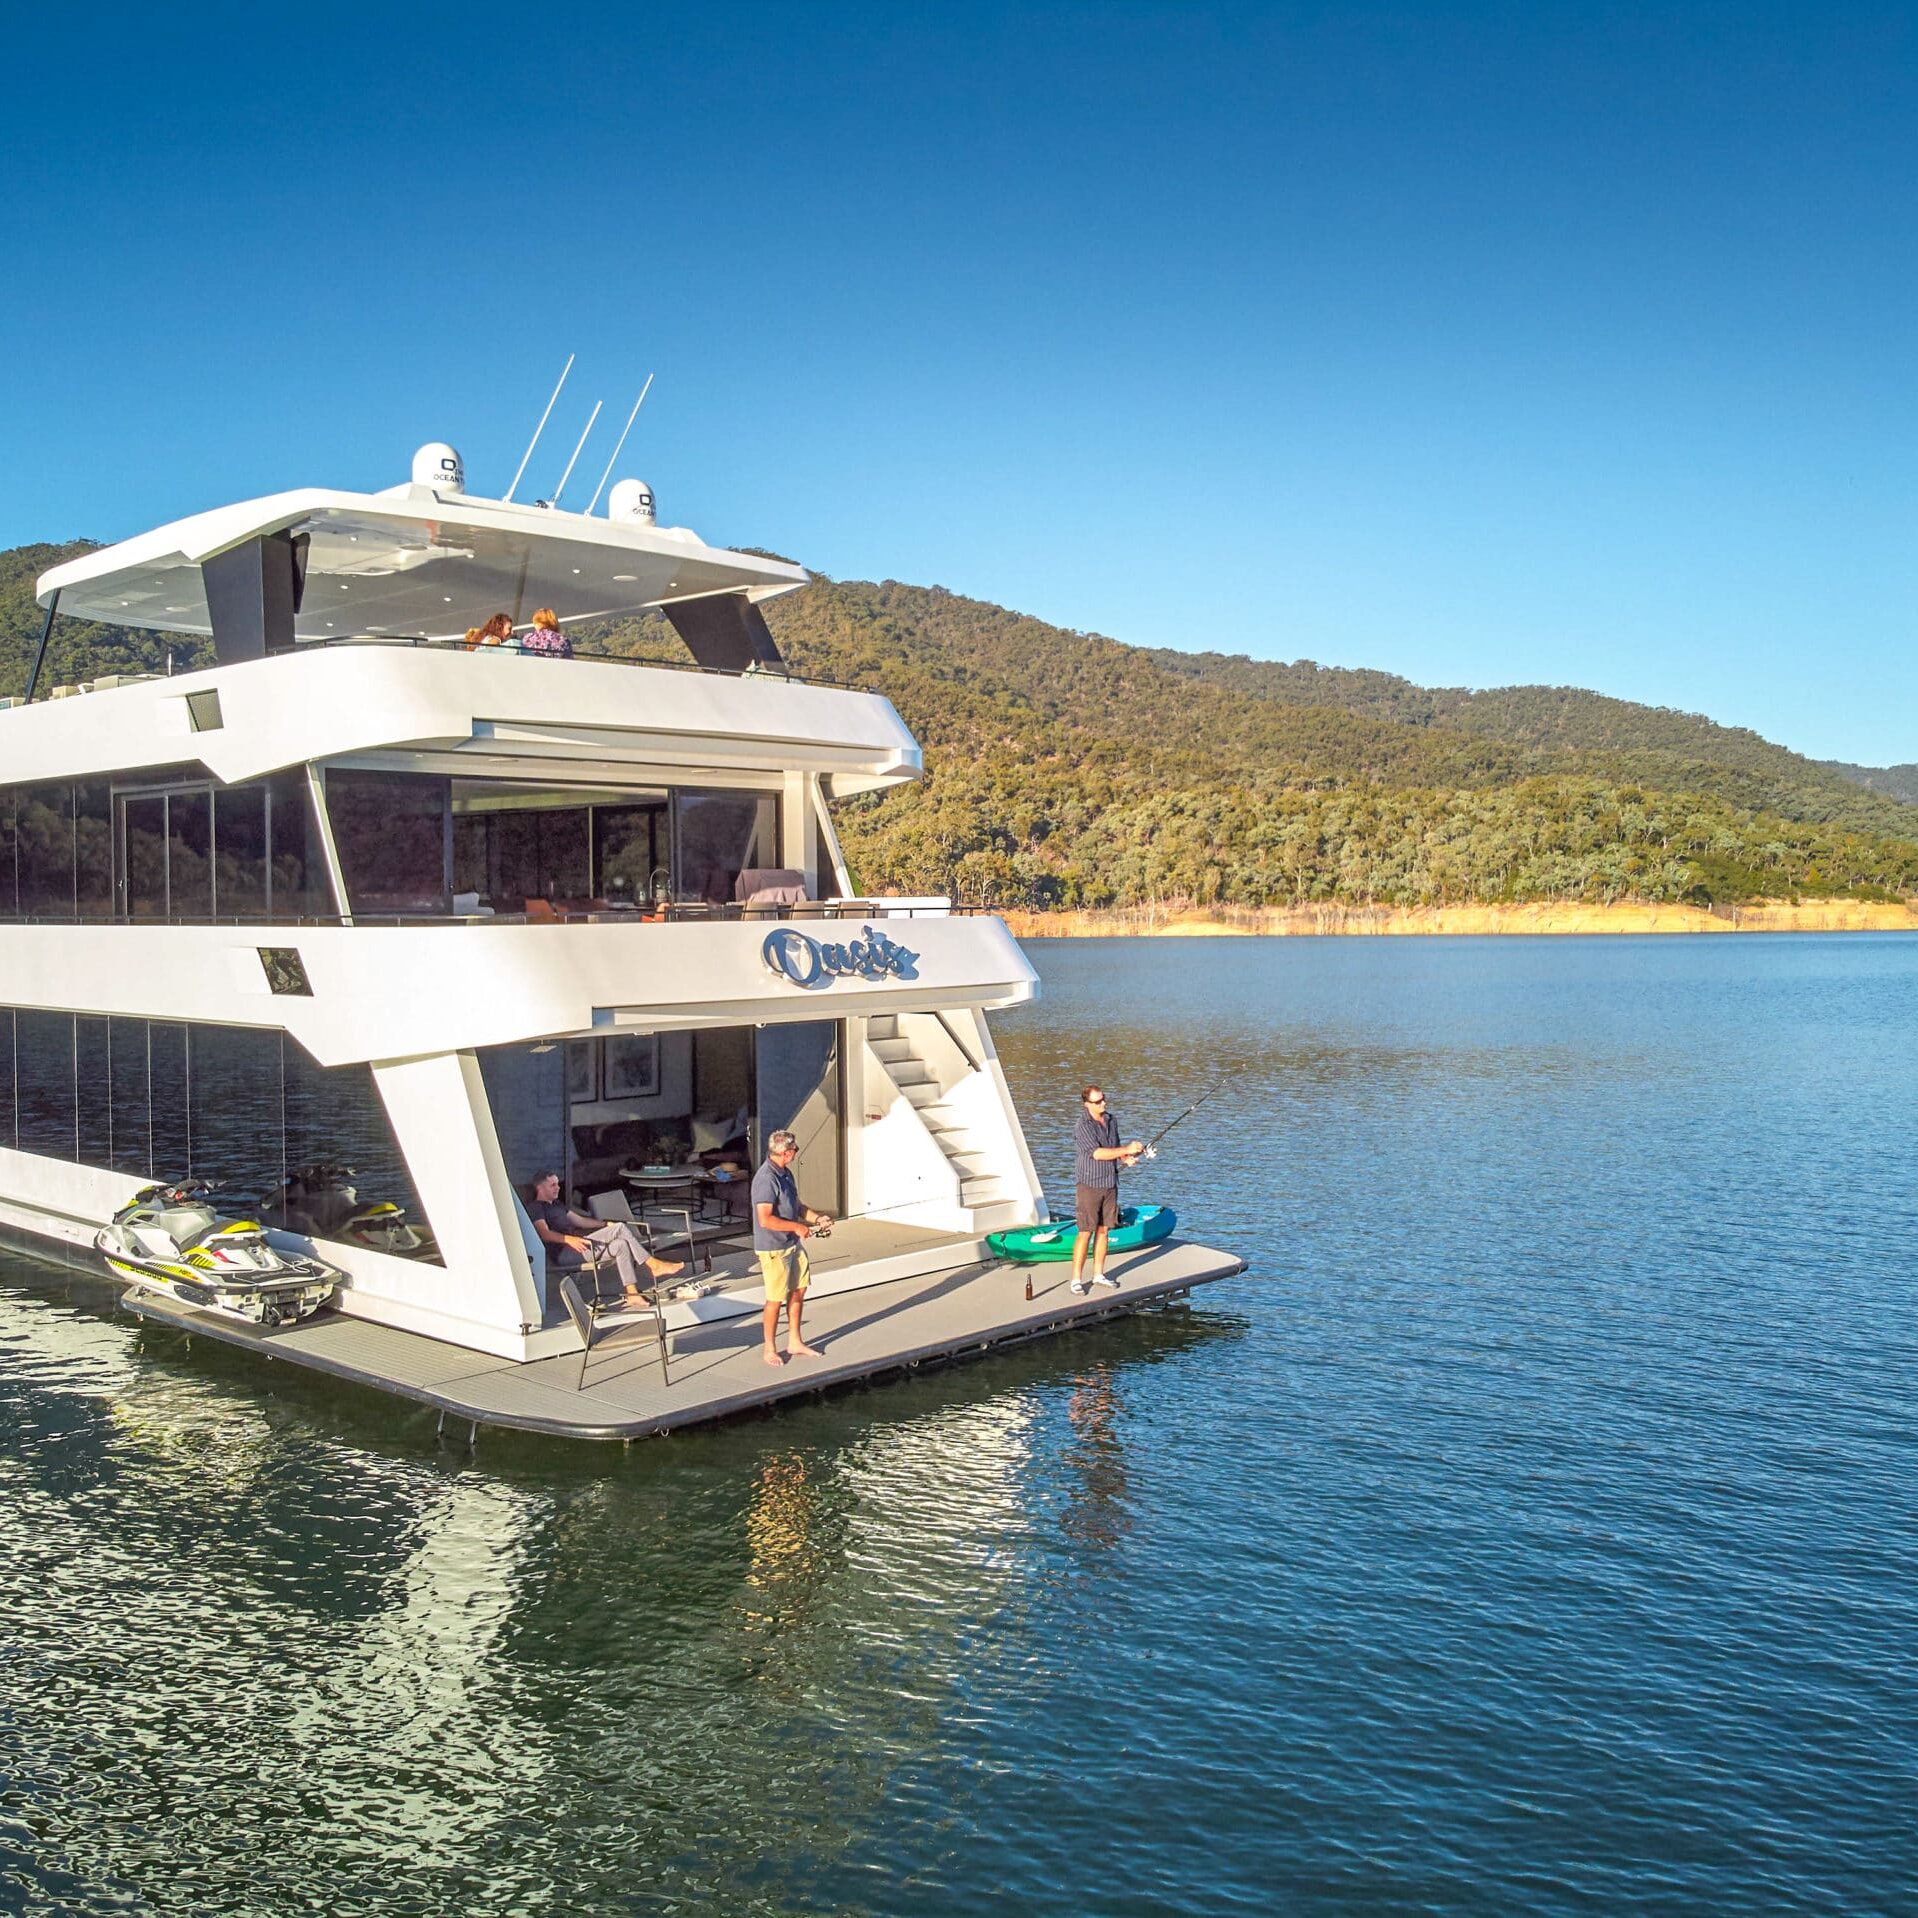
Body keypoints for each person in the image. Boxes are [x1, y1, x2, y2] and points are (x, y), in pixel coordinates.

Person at [527, 1171, 682, 1310]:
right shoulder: (536, 1207)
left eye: (557, 1184)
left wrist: (605, 1224)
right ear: (540, 1188)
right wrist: (569, 1240)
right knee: (620, 1228)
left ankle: (632, 1294)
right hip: (564, 1253)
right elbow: (543, 1233)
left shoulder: (557, 1205)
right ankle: (653, 1264)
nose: (558, 1187)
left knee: (621, 1245)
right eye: (552, 1185)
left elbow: (580, 1221)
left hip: (579, 1247)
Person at [752, 1129, 833, 1366]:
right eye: (794, 1149)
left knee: (798, 1290)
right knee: (775, 1299)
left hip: (792, 1244)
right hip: (774, 1248)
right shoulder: (766, 1179)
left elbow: (796, 1206)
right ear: (786, 1152)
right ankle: (770, 1348)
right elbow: (765, 1219)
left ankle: (795, 1341)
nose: (796, 1152)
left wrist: (817, 1219)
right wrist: (797, 1228)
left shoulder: (785, 1173)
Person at [1070, 1085, 1143, 1295]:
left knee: (1104, 1230)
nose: (1103, 1103)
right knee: (1086, 1231)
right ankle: (1076, 1279)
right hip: (1089, 1184)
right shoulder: (1082, 1126)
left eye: (1103, 1099)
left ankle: (1099, 1274)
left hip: (1110, 1183)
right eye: (1098, 1101)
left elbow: (1114, 1146)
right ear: (1087, 1104)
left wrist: (1125, 1158)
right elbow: (1098, 1153)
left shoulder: (1111, 1120)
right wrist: (1126, 1149)